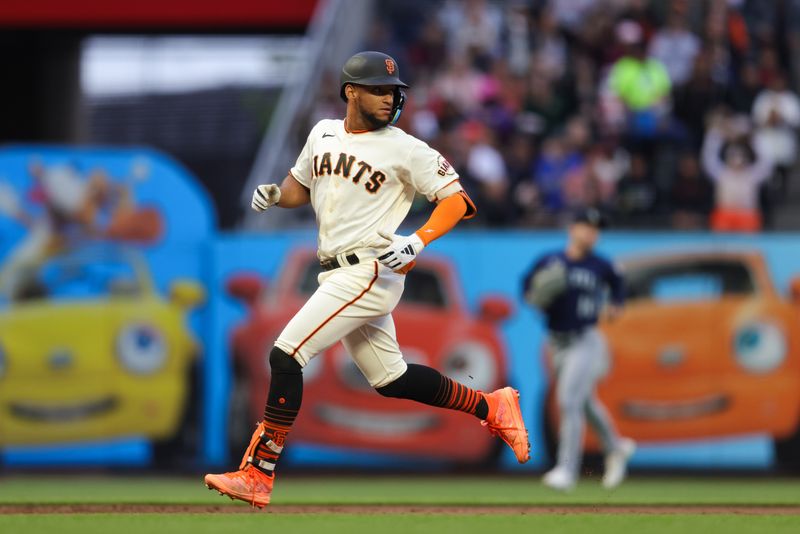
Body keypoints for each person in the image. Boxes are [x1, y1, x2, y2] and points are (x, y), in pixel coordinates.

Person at [204, 51, 530, 508]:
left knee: (285, 354)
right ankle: (491, 406)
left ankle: (258, 473)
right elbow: (303, 185)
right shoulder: (322, 133)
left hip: (370, 269)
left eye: (394, 92)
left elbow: (456, 201)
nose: (388, 98)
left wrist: (418, 241)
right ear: (350, 92)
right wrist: (278, 194)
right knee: (391, 378)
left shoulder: (405, 147)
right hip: (336, 268)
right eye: (377, 89)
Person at [522, 208, 634, 491]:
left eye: (597, 229)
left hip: (586, 340)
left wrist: (616, 304)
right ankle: (616, 446)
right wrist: (536, 296)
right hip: (556, 342)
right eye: (586, 226)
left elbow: (619, 287)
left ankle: (567, 470)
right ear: (572, 229)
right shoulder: (549, 261)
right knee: (583, 401)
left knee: (568, 401)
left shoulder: (601, 265)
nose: (592, 233)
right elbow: (528, 291)